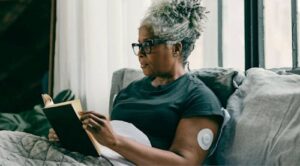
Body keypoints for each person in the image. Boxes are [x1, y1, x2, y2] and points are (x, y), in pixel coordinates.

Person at [49, 0, 225, 165]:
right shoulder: (130, 90)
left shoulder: (199, 99)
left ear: (176, 48)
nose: (140, 53)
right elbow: (111, 141)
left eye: (148, 45)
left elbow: (185, 163)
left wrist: (114, 141)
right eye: (138, 45)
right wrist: (76, 136)